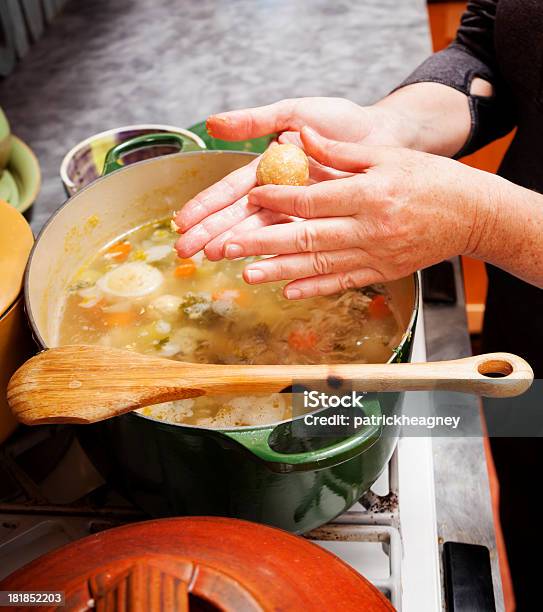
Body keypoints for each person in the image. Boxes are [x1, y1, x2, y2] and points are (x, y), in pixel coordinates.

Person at [174, 1, 542, 607]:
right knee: (530, 502)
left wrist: (491, 222)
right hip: (524, 321)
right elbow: (491, 51)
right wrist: (391, 125)